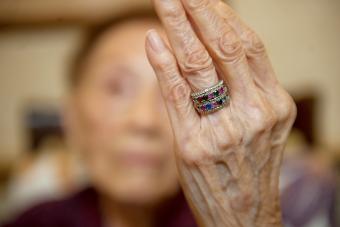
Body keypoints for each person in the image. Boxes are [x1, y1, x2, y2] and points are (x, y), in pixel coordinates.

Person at [3, 0, 297, 226]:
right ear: (71, 118)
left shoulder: (267, 214)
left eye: (176, 91)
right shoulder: (34, 221)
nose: (144, 121)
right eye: (116, 88)